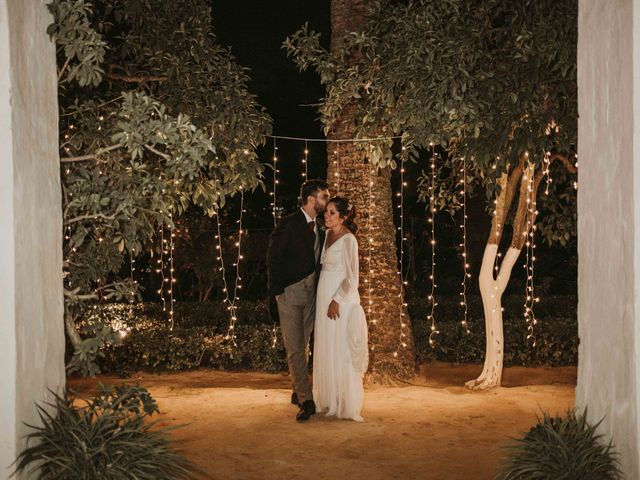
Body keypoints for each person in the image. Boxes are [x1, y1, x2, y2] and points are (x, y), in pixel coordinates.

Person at [267, 179, 330, 422]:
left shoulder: (321, 227)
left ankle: (296, 389)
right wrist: (277, 291)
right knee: (295, 348)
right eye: (324, 197)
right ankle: (306, 399)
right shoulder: (288, 224)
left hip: (313, 295)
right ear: (312, 199)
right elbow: (273, 258)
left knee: (303, 344)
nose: (326, 201)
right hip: (290, 293)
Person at [313, 196, 369, 422]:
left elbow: (352, 277)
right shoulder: (326, 235)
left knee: (340, 348)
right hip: (322, 298)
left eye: (332, 213)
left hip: (340, 301)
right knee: (327, 346)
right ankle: (328, 398)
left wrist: (336, 299)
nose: (326, 215)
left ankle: (344, 403)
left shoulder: (349, 240)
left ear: (344, 217)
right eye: (326, 211)